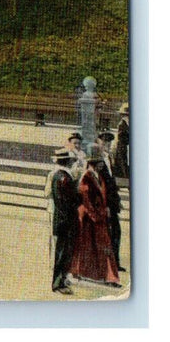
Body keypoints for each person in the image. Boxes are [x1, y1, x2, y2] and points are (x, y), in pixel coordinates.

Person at [70, 145, 120, 286]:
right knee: (87, 246)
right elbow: (86, 199)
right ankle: (80, 272)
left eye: (101, 163)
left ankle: (109, 277)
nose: (101, 166)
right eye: (99, 163)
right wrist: (95, 216)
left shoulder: (98, 176)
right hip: (88, 218)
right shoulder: (86, 177)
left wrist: (104, 210)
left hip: (99, 216)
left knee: (103, 246)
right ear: (93, 164)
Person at [47, 147, 80, 294]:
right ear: (67, 162)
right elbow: (71, 200)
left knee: (64, 252)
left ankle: (61, 280)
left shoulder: (59, 175)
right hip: (66, 220)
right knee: (63, 253)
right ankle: (58, 283)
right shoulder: (64, 178)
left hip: (62, 219)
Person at [95, 131, 125, 271]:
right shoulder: (97, 160)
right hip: (104, 203)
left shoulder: (109, 158)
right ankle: (107, 265)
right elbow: (100, 185)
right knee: (107, 234)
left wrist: (117, 200)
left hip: (112, 202)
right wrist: (105, 205)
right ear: (98, 142)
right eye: (104, 142)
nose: (106, 145)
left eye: (109, 143)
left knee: (116, 232)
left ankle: (115, 263)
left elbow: (112, 183)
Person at [113, 102, 130, 178]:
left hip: (127, 146)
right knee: (122, 163)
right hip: (123, 147)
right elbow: (121, 137)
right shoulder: (122, 124)